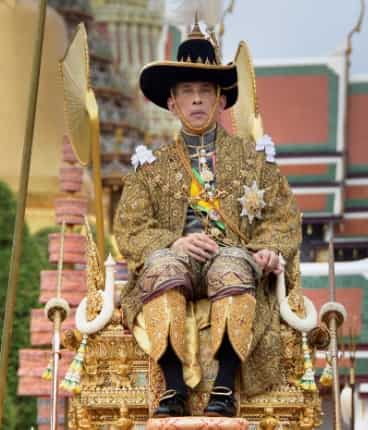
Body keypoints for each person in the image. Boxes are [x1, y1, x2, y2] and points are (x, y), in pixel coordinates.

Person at [114, 19, 301, 418]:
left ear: (220, 100)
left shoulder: (254, 162)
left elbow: (283, 218)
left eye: (205, 92)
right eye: (187, 92)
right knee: (162, 265)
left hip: (233, 262)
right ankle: (173, 388)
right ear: (172, 103)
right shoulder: (151, 169)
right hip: (176, 265)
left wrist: (268, 249)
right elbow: (129, 229)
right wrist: (172, 242)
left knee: (233, 265)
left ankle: (224, 388)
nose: (196, 100)